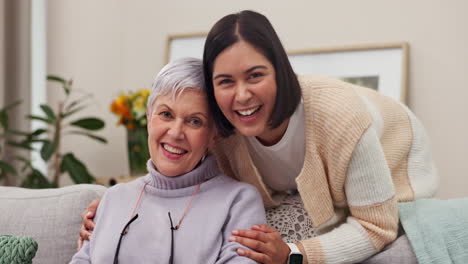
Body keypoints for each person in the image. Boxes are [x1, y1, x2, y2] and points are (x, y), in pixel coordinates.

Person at [80, 10, 438, 264]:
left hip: (398, 159)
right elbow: (175, 169)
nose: (241, 96)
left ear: (280, 70)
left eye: (255, 75)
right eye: (225, 81)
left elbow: (376, 226)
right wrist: (116, 207)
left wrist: (295, 255)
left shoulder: (339, 116)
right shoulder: (225, 130)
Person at [71, 57, 266, 263]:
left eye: (194, 121)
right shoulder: (113, 199)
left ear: (213, 135)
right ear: (148, 118)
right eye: (166, 114)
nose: (175, 133)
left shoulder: (238, 202)